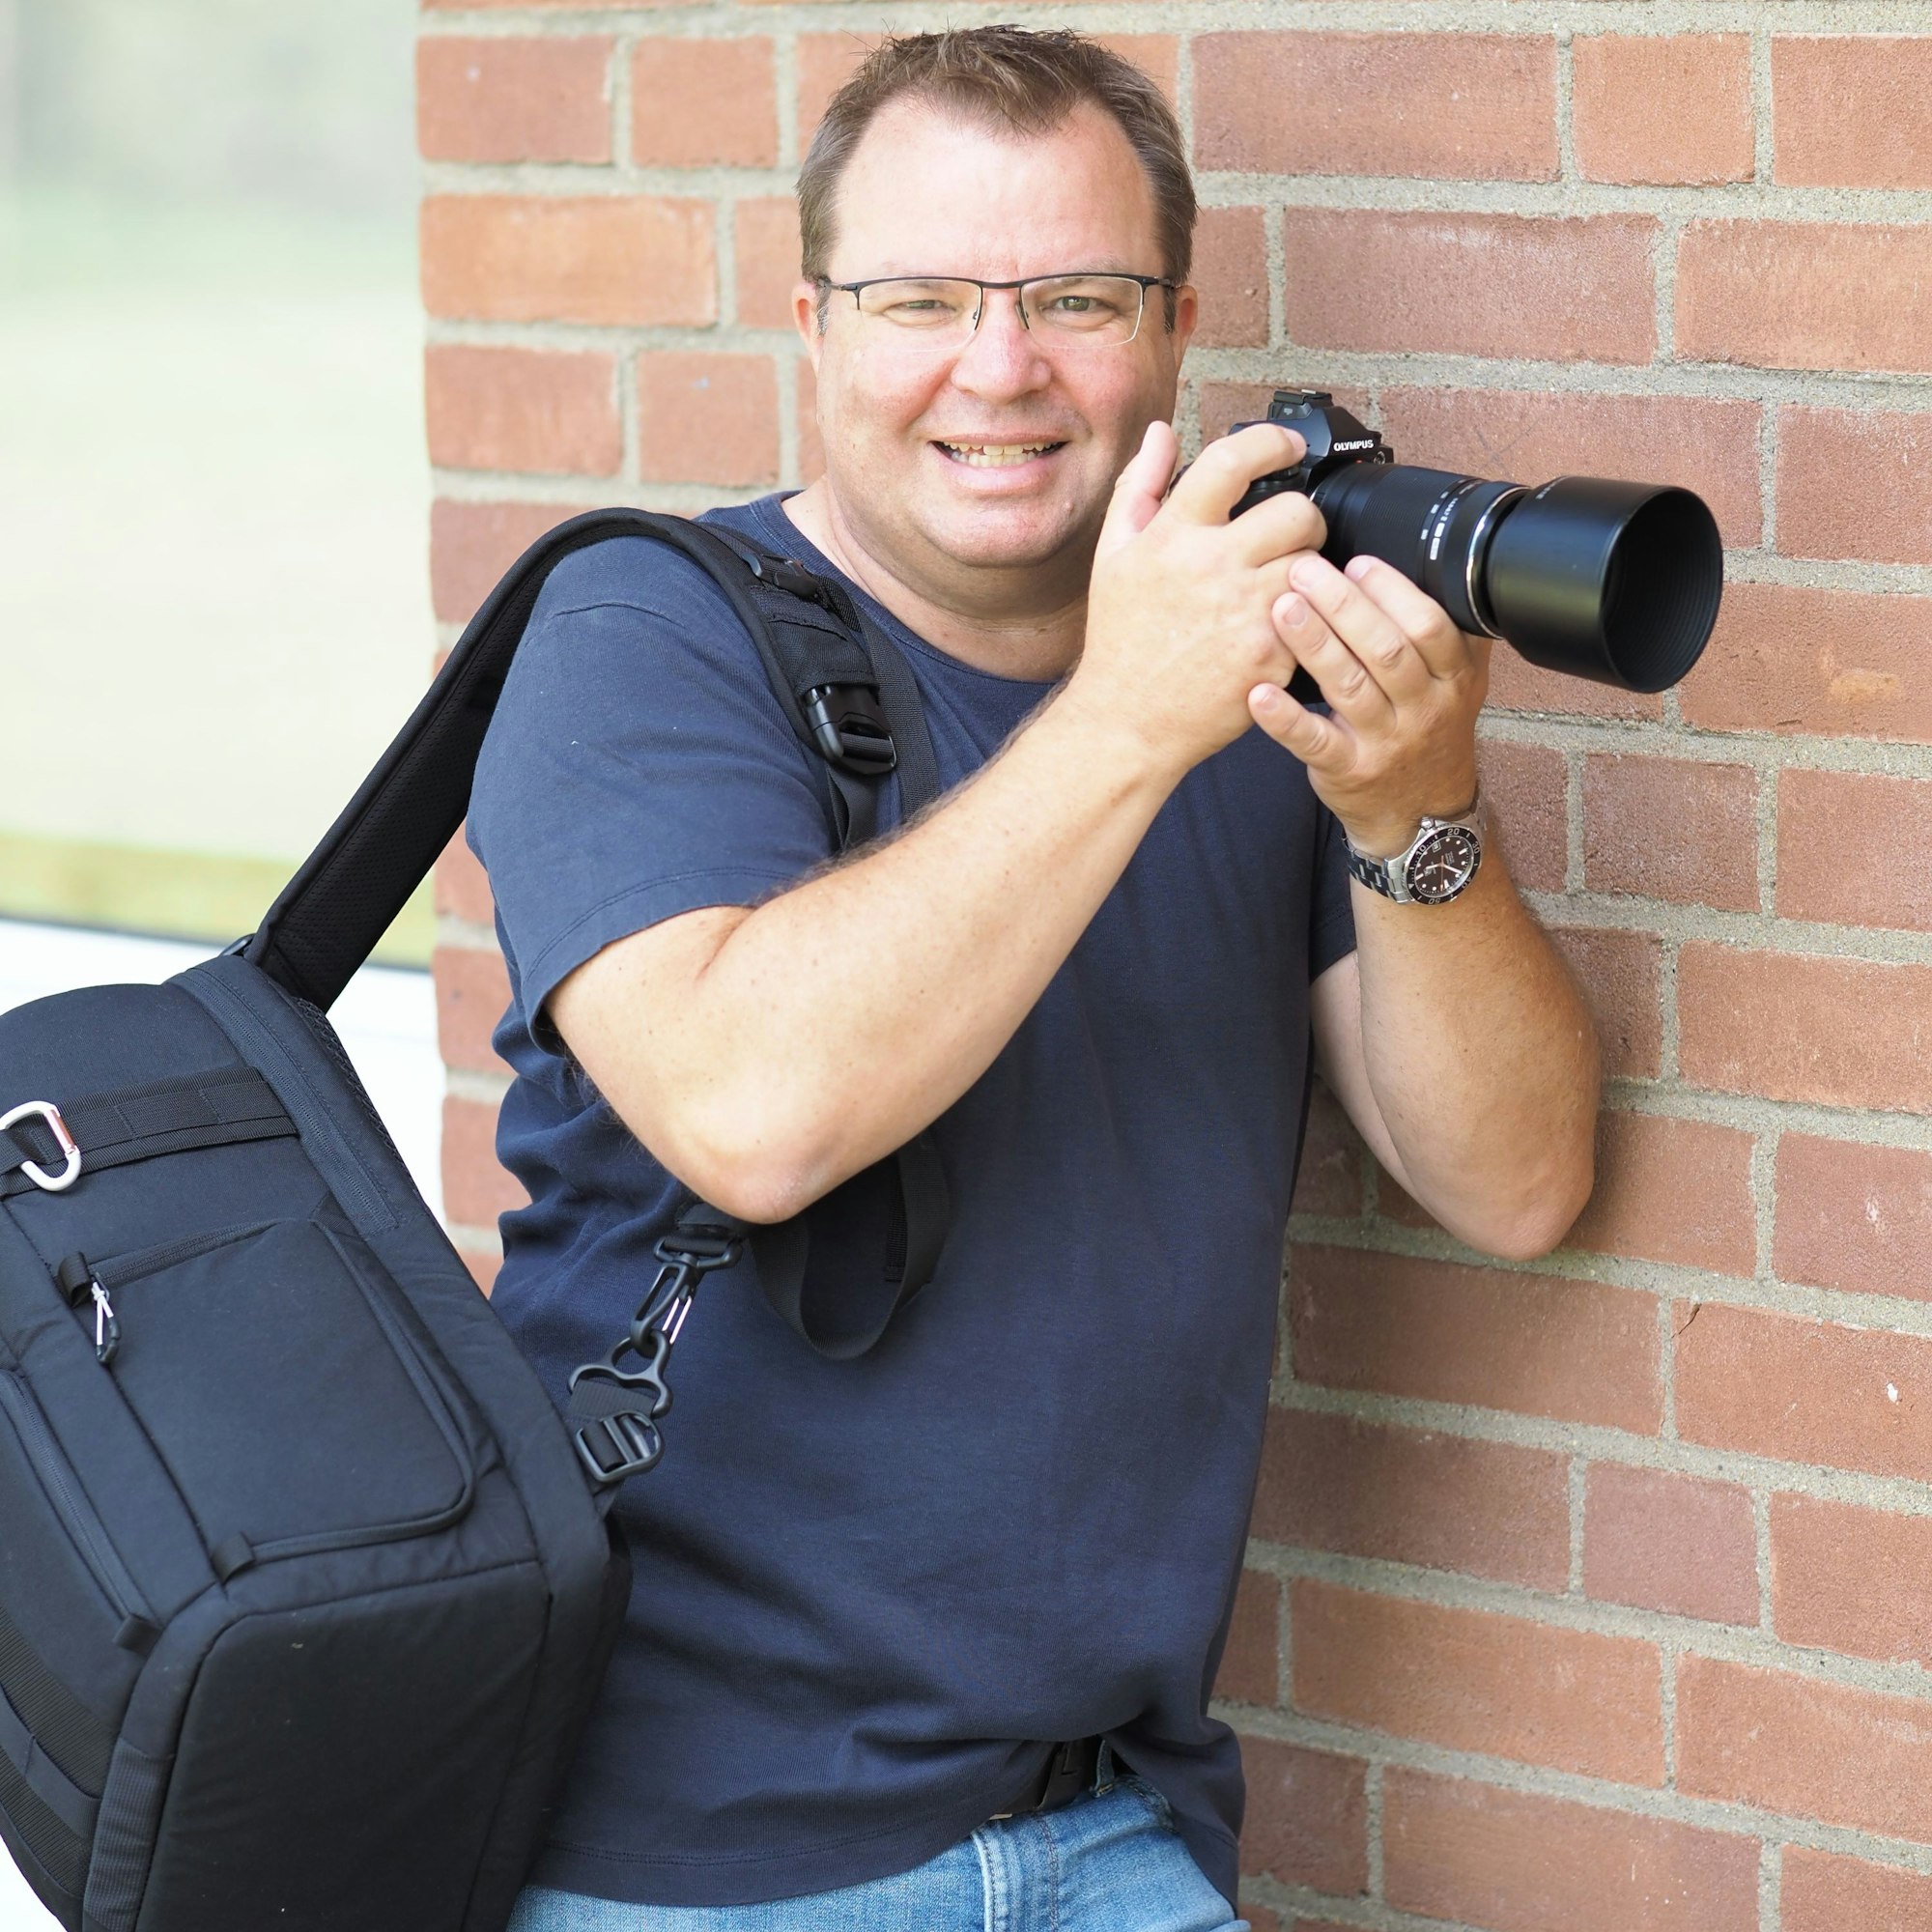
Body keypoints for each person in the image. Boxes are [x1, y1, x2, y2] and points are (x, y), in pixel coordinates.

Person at [469, 25, 1600, 1932]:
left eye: (1073, 297)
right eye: (922, 298)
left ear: (1174, 322)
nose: (998, 369)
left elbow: (1512, 1182)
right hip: (680, 1853)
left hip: (1112, 1826)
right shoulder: (640, 633)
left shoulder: (1240, 663)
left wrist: (1417, 810)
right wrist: (1131, 716)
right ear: (812, 321)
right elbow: (750, 1112)